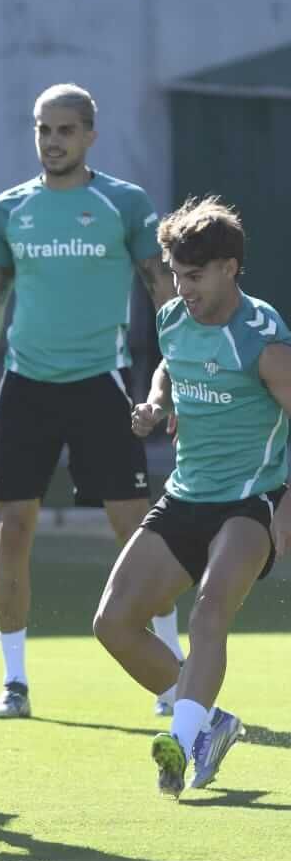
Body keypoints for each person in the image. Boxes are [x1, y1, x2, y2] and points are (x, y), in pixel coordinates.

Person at [0, 83, 182, 720]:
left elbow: (163, 295)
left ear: (89, 135)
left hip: (100, 386)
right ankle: (15, 682)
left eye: (65, 130)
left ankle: (172, 675)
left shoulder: (124, 204)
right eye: (42, 129)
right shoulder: (10, 208)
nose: (52, 141)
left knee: (137, 533)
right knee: (14, 528)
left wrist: (182, 380)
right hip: (25, 388)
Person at [93, 196, 290, 797]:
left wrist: (287, 509)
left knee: (209, 611)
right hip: (186, 494)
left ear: (230, 267)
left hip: (251, 498)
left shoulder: (263, 339)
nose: (183, 287)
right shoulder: (174, 317)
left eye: (195, 275)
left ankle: (179, 743)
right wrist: (158, 401)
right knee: (113, 623)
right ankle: (211, 723)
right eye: (175, 274)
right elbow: (170, 366)